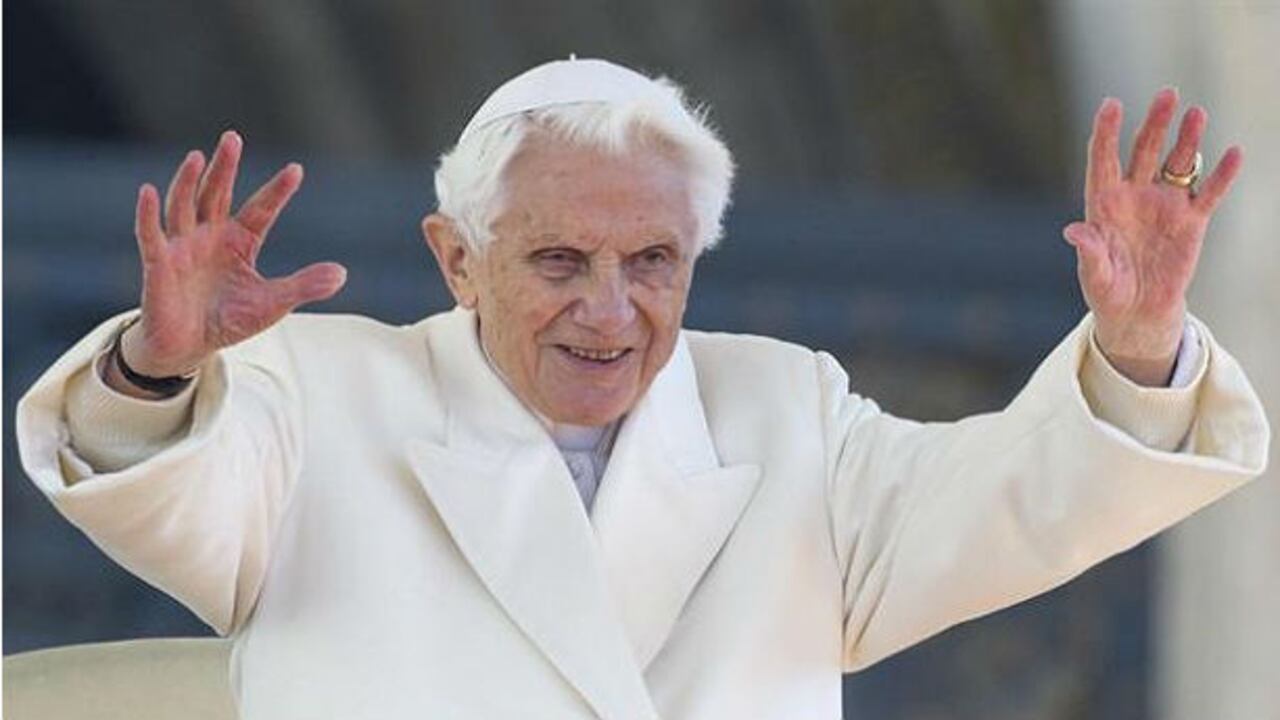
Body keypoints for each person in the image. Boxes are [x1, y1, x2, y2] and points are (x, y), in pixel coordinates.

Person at [16, 58, 1269, 719]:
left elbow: (1017, 500)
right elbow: (170, 494)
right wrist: (160, 368)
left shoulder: (783, 411)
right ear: (458, 260)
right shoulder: (323, 394)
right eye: (558, 262)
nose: (609, 311)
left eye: (652, 263)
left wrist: (1137, 345)